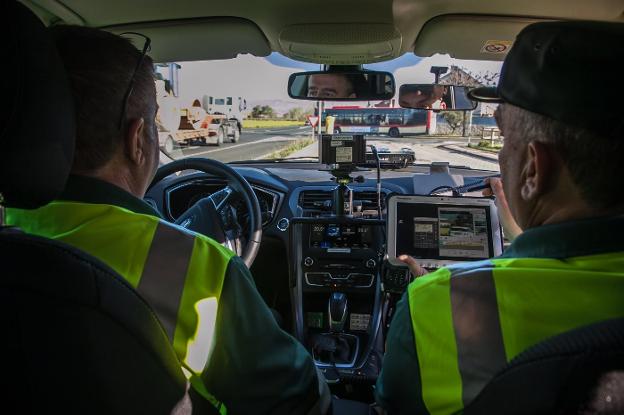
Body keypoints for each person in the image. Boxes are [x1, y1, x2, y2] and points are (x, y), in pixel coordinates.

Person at [6, 26, 327, 415]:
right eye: (155, 124)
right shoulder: (197, 266)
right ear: (138, 139)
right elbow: (295, 397)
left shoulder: (13, 234)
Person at [376, 20, 624, 414]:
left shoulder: (437, 305)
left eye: (507, 141)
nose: (500, 156)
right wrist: (518, 231)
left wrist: (430, 300)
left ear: (533, 170)